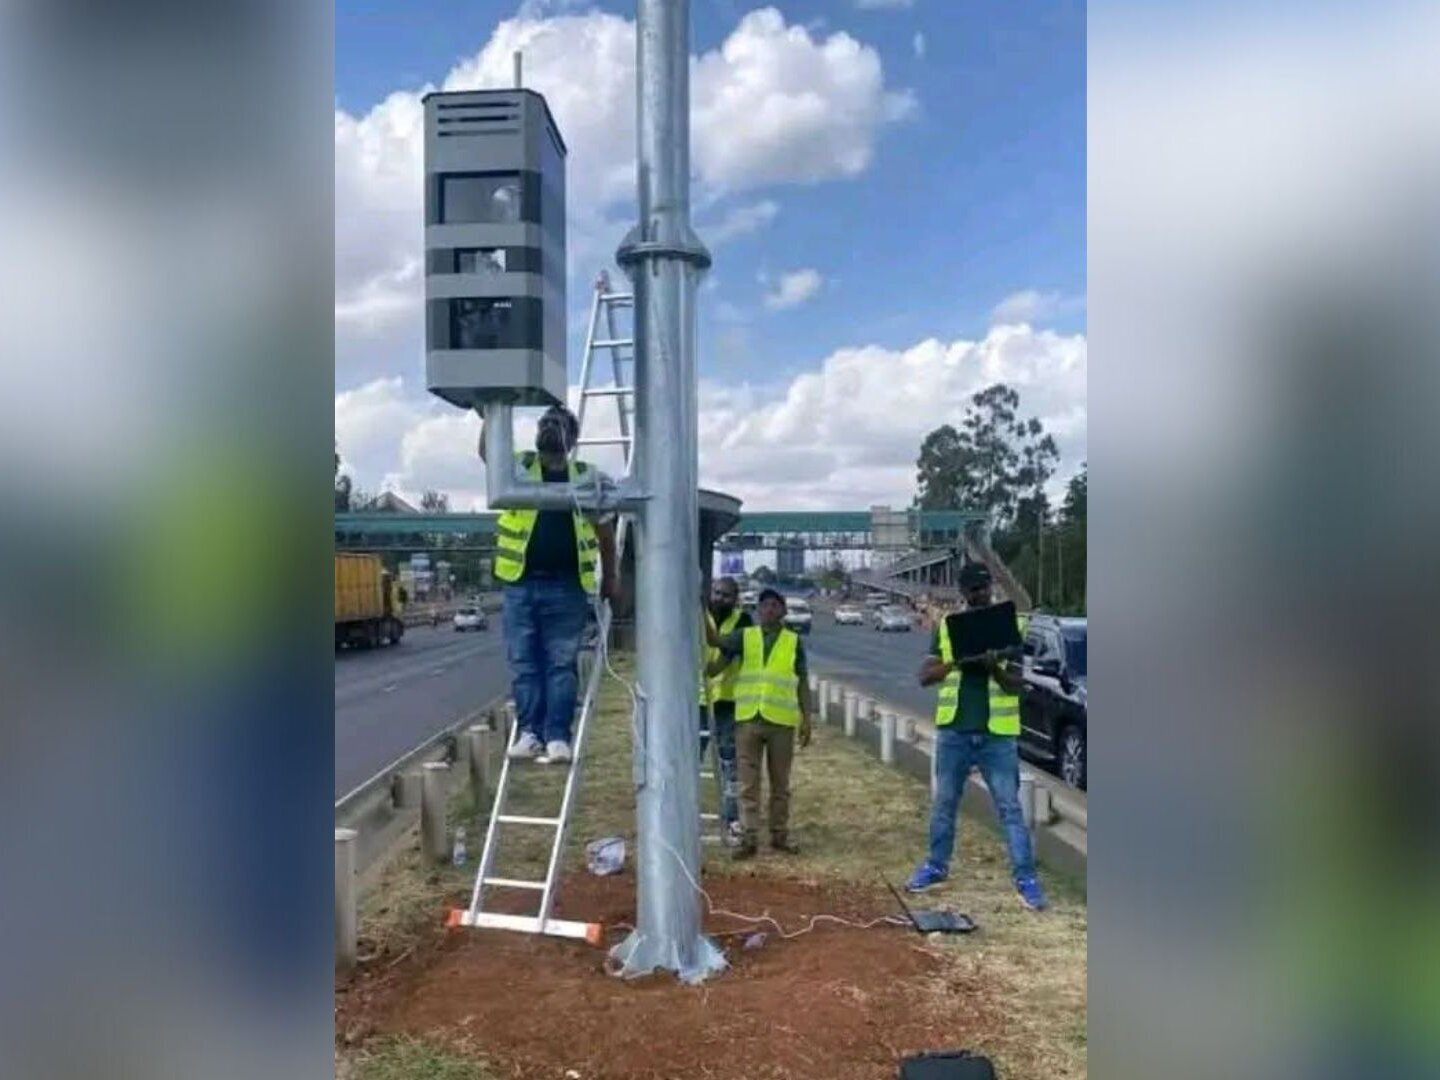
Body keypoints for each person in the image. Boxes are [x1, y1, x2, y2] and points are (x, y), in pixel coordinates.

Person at [479, 404, 618, 764]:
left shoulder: (587, 476)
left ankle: (557, 736)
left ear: (571, 439)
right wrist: (489, 407)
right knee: (524, 662)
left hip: (567, 586)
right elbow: (486, 452)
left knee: (560, 663)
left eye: (556, 424)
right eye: (544, 422)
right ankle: (530, 733)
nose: (548, 428)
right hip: (520, 583)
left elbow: (605, 531)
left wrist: (612, 576)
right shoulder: (522, 467)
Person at [906, 562, 1048, 910]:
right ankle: (936, 867)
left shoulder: (1010, 626)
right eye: (972, 590)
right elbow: (924, 676)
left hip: (995, 737)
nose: (979, 594)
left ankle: (1026, 878)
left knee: (1010, 808)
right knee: (944, 805)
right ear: (963, 592)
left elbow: (1016, 688)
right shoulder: (947, 628)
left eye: (983, 588)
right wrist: (958, 662)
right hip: (955, 731)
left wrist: (993, 668)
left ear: (991, 588)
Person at [706, 588, 814, 860]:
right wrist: (700, 613)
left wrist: (807, 718)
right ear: (758, 610)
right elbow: (717, 645)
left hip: (780, 723)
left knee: (780, 784)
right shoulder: (745, 637)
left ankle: (779, 835)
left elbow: (802, 681)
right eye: (764, 605)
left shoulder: (793, 641)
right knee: (748, 783)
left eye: (774, 605)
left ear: (783, 611)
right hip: (748, 720)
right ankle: (749, 837)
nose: (768, 610)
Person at [700, 576, 750, 845]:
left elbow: (727, 653)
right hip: (695, 700)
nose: (720, 598)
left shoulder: (742, 621)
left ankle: (731, 821)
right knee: (689, 761)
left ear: (735, 598)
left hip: (727, 702)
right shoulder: (697, 614)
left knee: (729, 764)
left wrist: (710, 670)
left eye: (726, 595)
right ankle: (686, 818)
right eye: (717, 593)